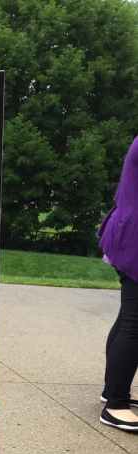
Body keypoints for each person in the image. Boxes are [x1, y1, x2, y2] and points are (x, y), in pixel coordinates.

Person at [98, 135, 138, 431]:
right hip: (135, 237)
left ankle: (114, 389)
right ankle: (116, 405)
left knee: (129, 315)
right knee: (135, 321)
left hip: (128, 231)